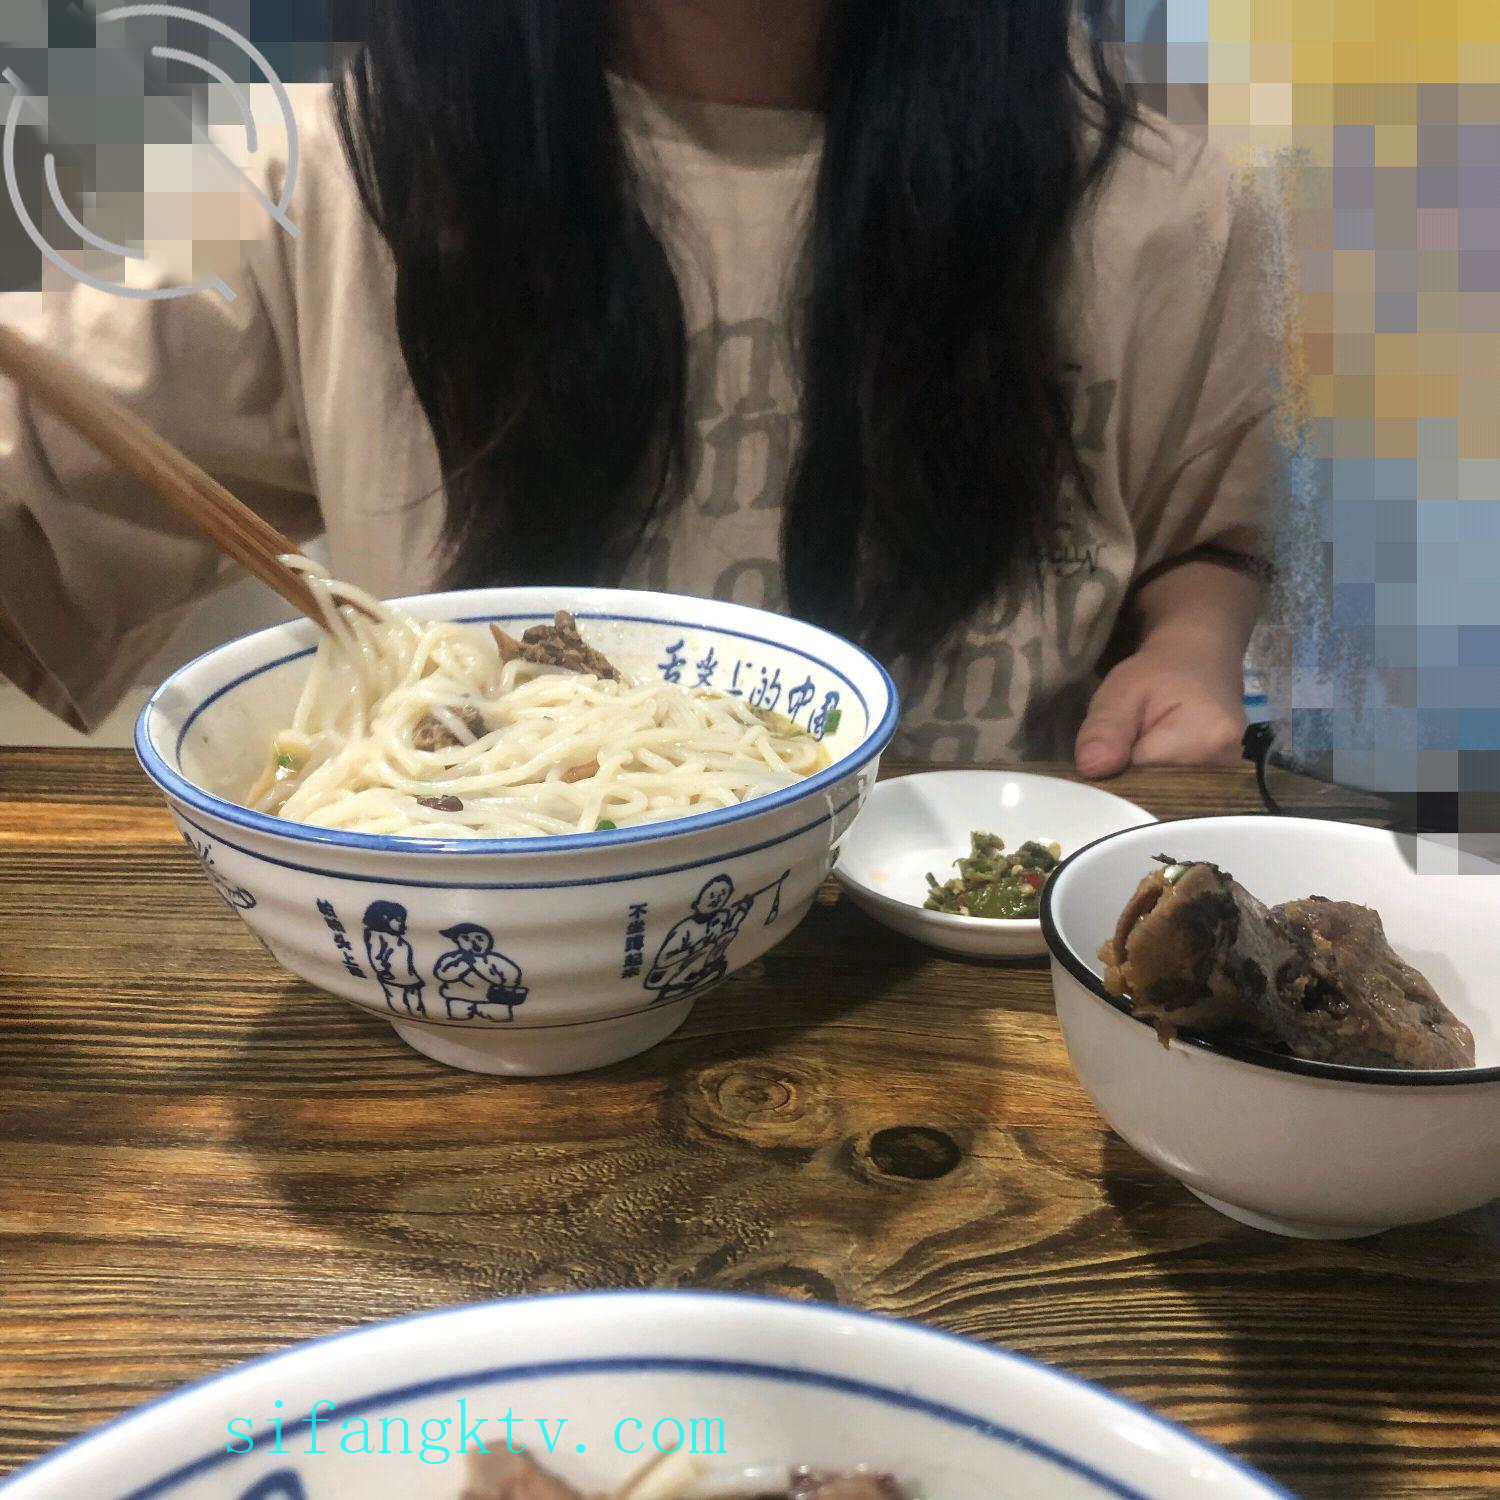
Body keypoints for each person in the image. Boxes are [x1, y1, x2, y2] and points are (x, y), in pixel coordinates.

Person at [0, 1, 1272, 771]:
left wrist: (1195, 640)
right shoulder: (324, 175)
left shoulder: (1160, 210)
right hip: (470, 968)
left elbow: (1208, 531)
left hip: (977, 981)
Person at [433, 923, 528, 1022]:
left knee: (499, 1017)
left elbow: (512, 976)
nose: (474, 943)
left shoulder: (494, 960)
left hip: (491, 999)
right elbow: (442, 974)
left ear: (489, 941)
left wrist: (506, 986)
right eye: (466, 939)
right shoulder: (453, 959)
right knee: (459, 1017)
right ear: (457, 941)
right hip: (459, 996)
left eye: (479, 938)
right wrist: (464, 964)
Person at [362, 900, 425, 1016]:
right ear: (384, 918)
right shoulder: (377, 936)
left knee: (414, 1005)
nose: (402, 923)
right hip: (394, 979)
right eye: (398, 920)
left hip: (409, 979)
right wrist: (385, 972)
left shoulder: (395, 938)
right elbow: (376, 957)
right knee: (400, 1003)